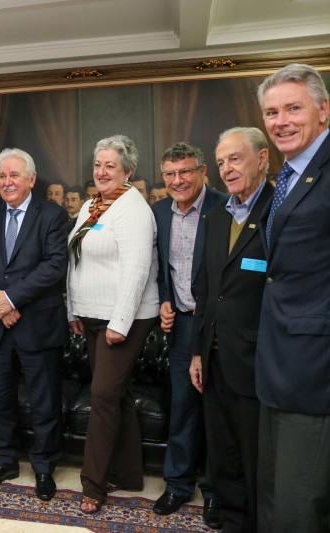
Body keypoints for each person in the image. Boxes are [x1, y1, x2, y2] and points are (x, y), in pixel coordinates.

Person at [0, 148, 68, 501]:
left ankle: (43, 467)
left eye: (15, 175)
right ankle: (6, 460)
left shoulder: (53, 215)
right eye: (2, 176)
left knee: (44, 402)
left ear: (31, 180)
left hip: (37, 325)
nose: (7, 182)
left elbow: (54, 266)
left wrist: (10, 299)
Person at [66, 135, 158, 514]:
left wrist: (120, 322)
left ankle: (94, 483)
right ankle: (129, 473)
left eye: (110, 166)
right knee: (117, 396)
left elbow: (138, 270)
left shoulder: (134, 209)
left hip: (125, 319)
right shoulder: (91, 205)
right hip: (90, 316)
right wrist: (73, 309)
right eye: (97, 165)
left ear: (128, 172)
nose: (101, 172)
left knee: (102, 397)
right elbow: (76, 260)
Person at [256, 63, 330, 532]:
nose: (280, 121)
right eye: (270, 111)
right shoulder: (288, 174)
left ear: (323, 111)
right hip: (277, 361)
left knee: (301, 506)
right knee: (275, 494)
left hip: (315, 367)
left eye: (292, 108)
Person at [191, 127, 274, 533]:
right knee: (222, 454)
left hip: (260, 360)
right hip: (215, 356)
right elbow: (204, 289)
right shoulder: (215, 216)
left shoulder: (280, 210)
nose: (226, 169)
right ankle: (232, 522)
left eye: (235, 159)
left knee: (258, 456)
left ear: (262, 159)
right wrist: (196, 351)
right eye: (221, 162)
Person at [152, 142, 227, 527]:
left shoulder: (224, 206)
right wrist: (165, 300)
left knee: (215, 410)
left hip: (217, 325)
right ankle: (178, 485)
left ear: (201, 172)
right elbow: (161, 268)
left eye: (185, 172)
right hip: (180, 326)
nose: (177, 180)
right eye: (170, 174)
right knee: (181, 407)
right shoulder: (159, 211)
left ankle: (216, 493)